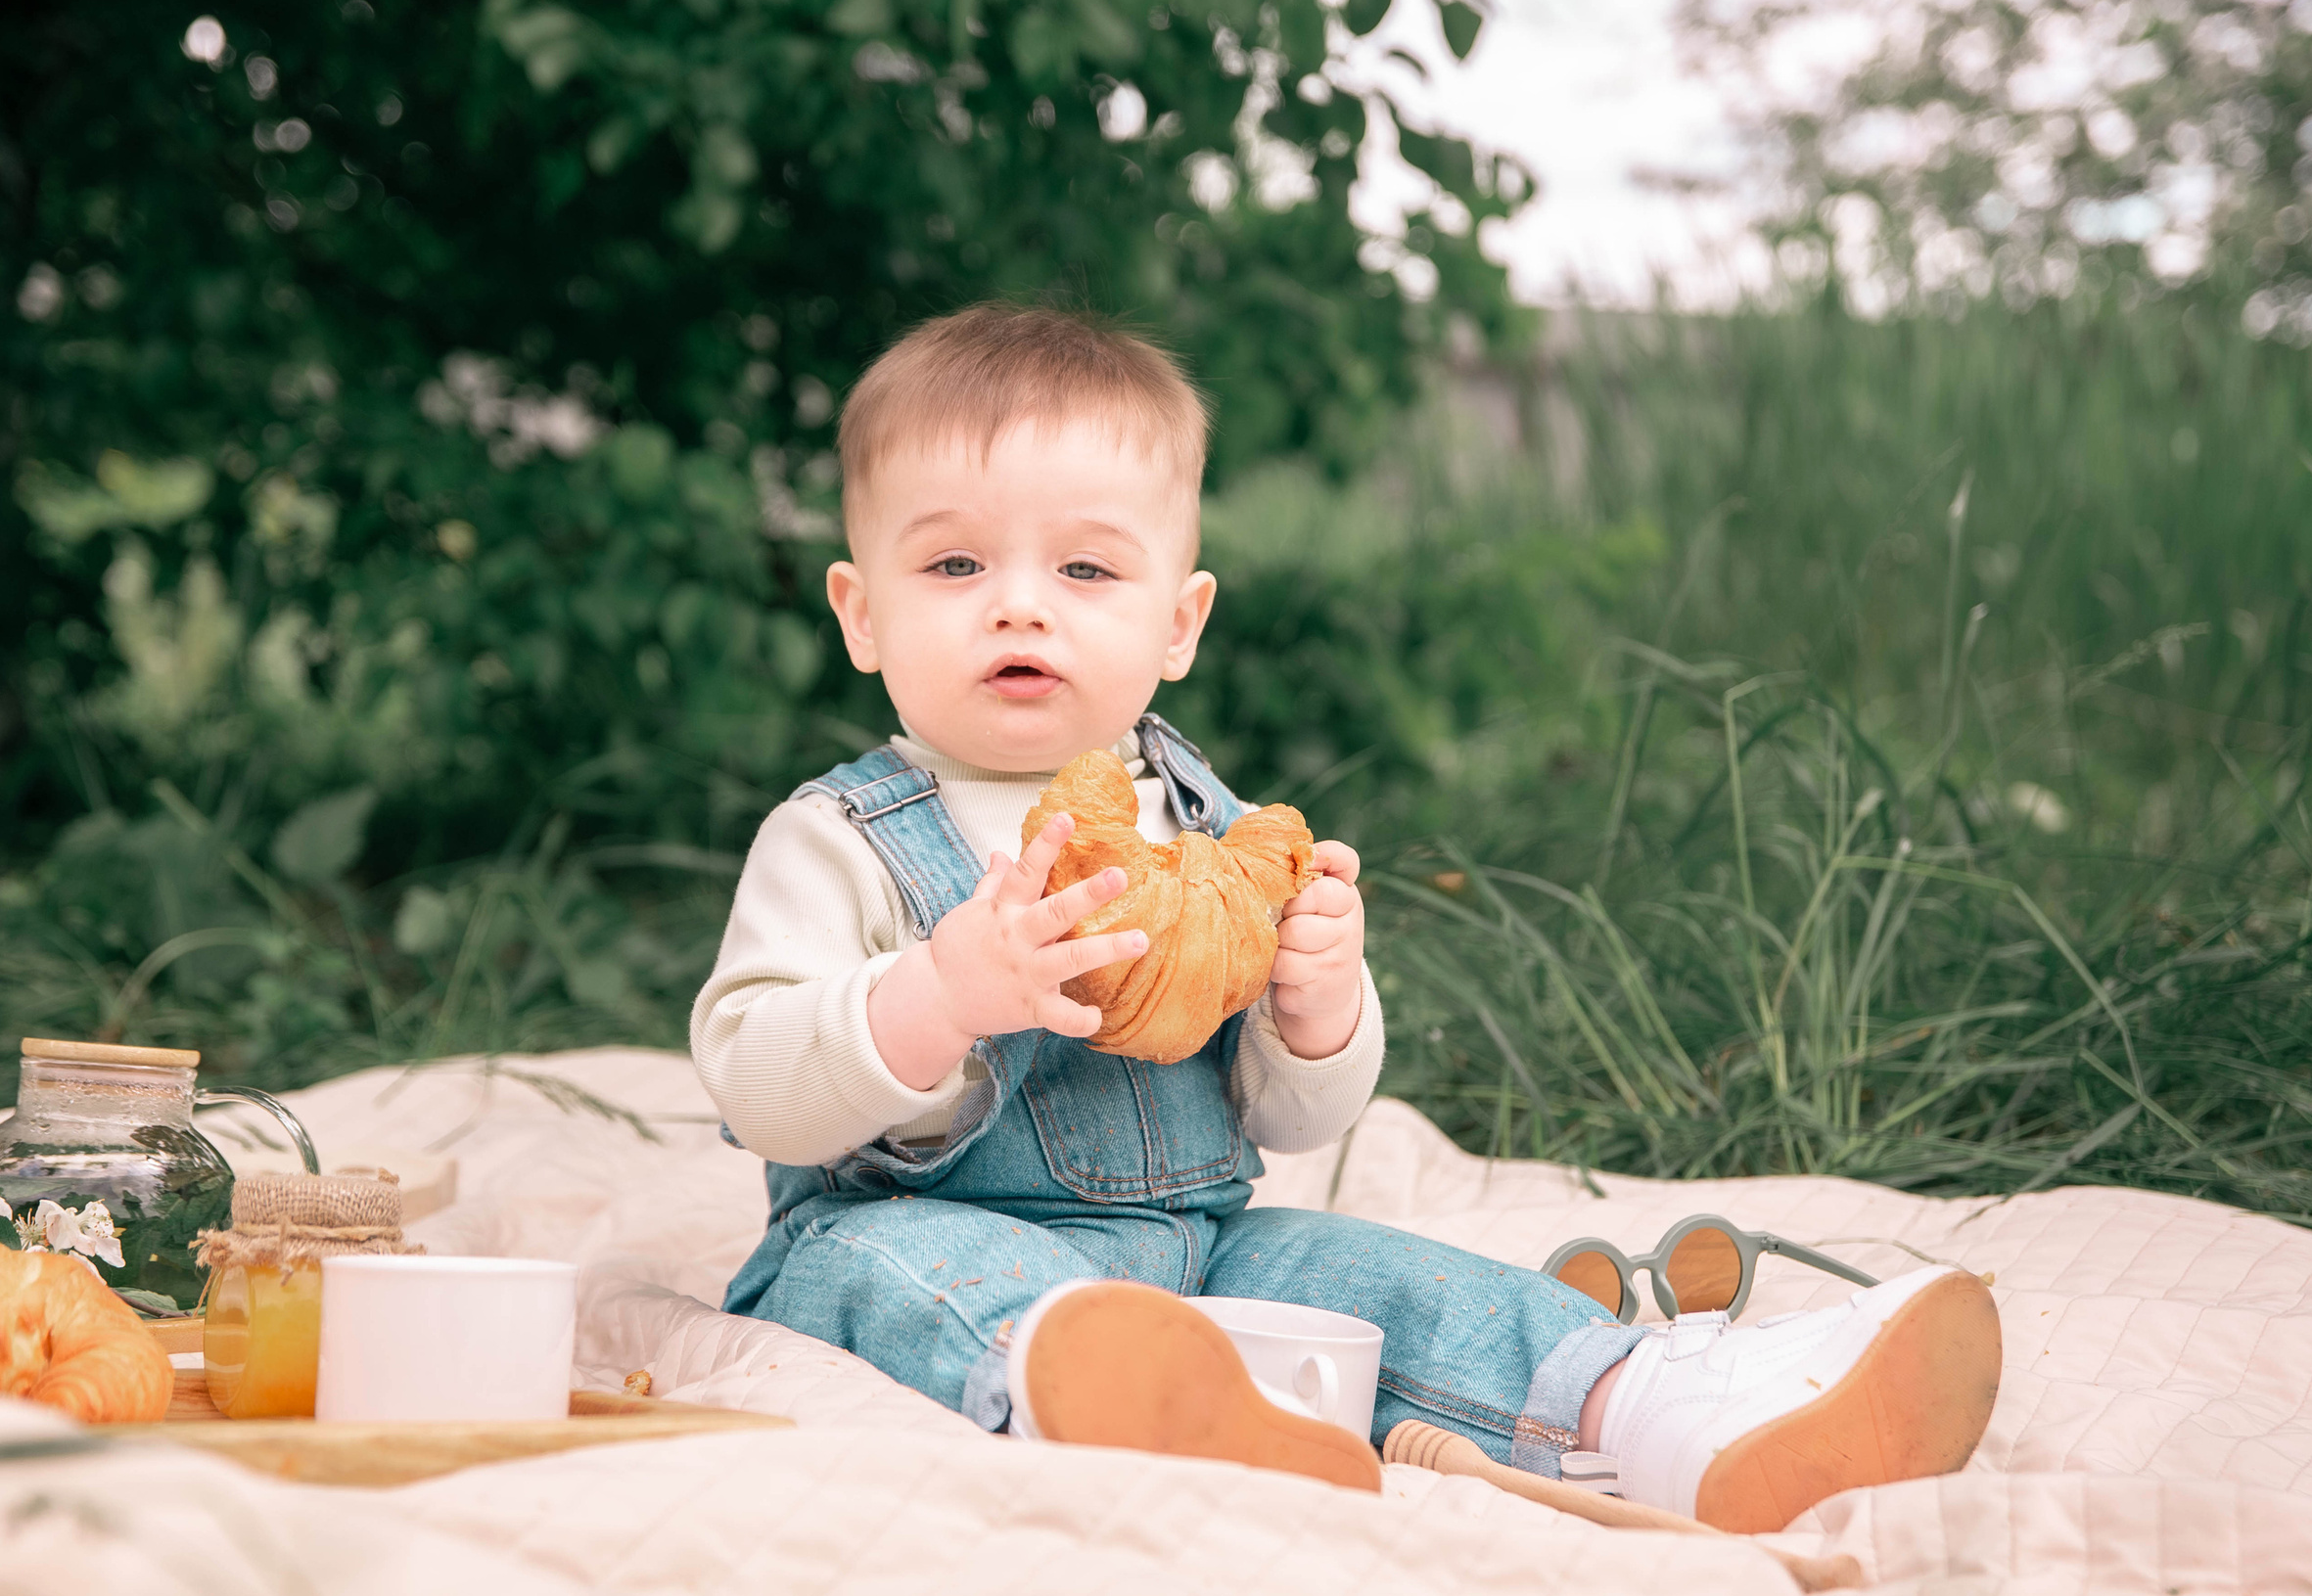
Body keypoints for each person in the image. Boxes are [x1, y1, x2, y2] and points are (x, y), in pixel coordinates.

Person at [691, 302, 1999, 1527]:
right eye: (956, 560)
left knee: (1383, 1281)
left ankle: (1659, 1411)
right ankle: (1104, 1395)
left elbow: (1286, 1122)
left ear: (1180, 622)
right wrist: (942, 995)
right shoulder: (841, 836)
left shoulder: (1212, 835)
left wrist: (1314, 1017)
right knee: (909, 1276)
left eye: (1087, 566)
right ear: (862, 613)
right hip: (900, 1236)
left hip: (1199, 1250)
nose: (1019, 601)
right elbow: (758, 1087)